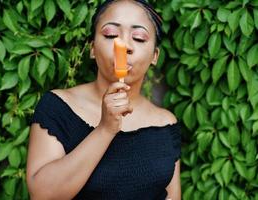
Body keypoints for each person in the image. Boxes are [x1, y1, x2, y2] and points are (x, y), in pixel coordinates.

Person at [26, 0, 181, 199]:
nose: (124, 45)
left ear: (155, 56)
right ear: (92, 48)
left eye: (139, 38)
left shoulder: (166, 123)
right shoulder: (57, 107)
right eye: (111, 35)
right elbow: (42, 195)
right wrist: (105, 129)